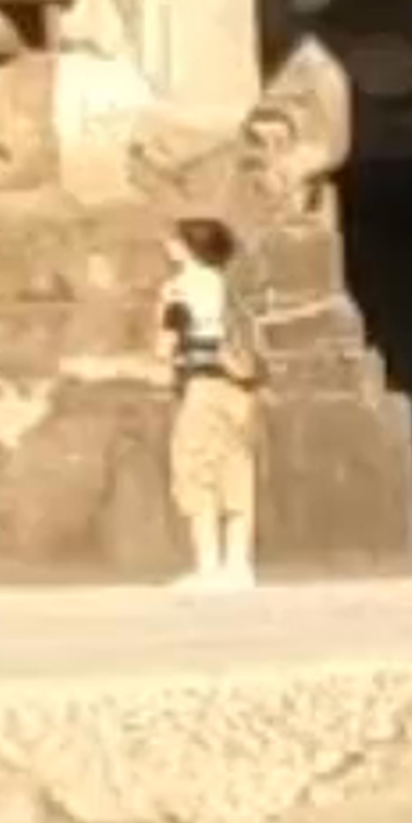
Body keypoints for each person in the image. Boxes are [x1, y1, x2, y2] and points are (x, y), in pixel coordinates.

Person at [160, 208, 260, 587]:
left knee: (197, 471)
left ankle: (209, 565)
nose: (168, 246)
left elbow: (166, 342)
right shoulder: (227, 285)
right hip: (238, 386)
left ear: (187, 248)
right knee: (235, 470)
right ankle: (238, 565)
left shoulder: (182, 287)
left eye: (174, 239)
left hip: (202, 384)